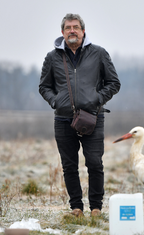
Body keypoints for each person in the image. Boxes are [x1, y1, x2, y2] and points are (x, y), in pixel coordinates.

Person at [39, 13, 121, 217]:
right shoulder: (52, 57)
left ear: (83, 31)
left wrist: (97, 100)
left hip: (92, 118)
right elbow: (44, 86)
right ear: (62, 32)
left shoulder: (99, 53)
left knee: (94, 162)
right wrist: (55, 101)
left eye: (76, 27)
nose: (72, 31)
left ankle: (96, 208)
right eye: (68, 28)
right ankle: (76, 208)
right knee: (69, 165)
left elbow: (114, 83)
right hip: (63, 119)